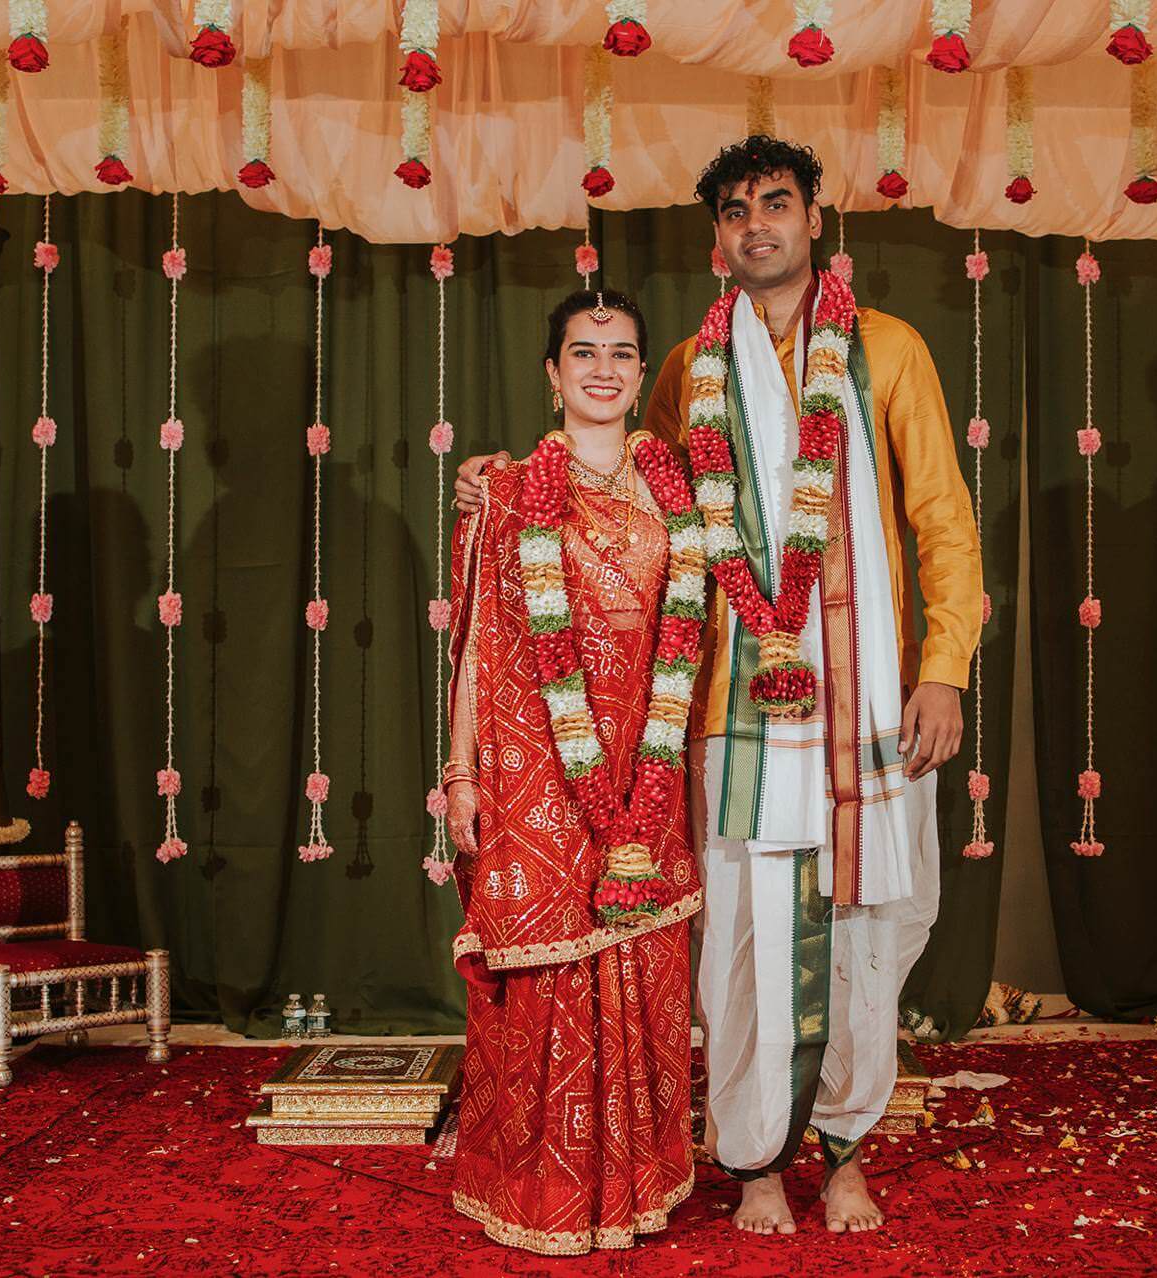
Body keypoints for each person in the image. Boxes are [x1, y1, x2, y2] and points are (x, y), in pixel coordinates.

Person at [457, 136, 982, 1237]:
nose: (758, 224)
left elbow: (942, 521)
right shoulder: (688, 377)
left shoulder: (888, 351)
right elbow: (617, 493)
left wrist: (942, 670)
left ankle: (843, 1151)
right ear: (717, 242)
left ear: (813, 222)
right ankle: (752, 1161)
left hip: (869, 704)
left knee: (864, 932)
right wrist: (504, 479)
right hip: (727, 712)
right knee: (744, 941)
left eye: (777, 204)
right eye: (738, 210)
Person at [440, 289, 699, 1256]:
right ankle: (535, 1191)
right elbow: (476, 641)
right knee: (549, 973)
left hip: (650, 760)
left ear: (641, 375)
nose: (603, 367)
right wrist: (461, 773)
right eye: (583, 352)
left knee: (641, 957)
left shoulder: (675, 486)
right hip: (535, 767)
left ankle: (637, 1182)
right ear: (552, 374)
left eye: (622, 353)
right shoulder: (504, 492)